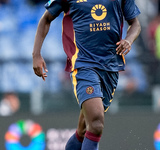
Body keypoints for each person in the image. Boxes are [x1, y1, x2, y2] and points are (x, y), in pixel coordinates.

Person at [32, 0, 141, 149]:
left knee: (84, 130)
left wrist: (128, 40)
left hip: (110, 66)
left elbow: (135, 23)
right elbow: (46, 19)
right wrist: (36, 54)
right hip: (83, 64)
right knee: (96, 123)